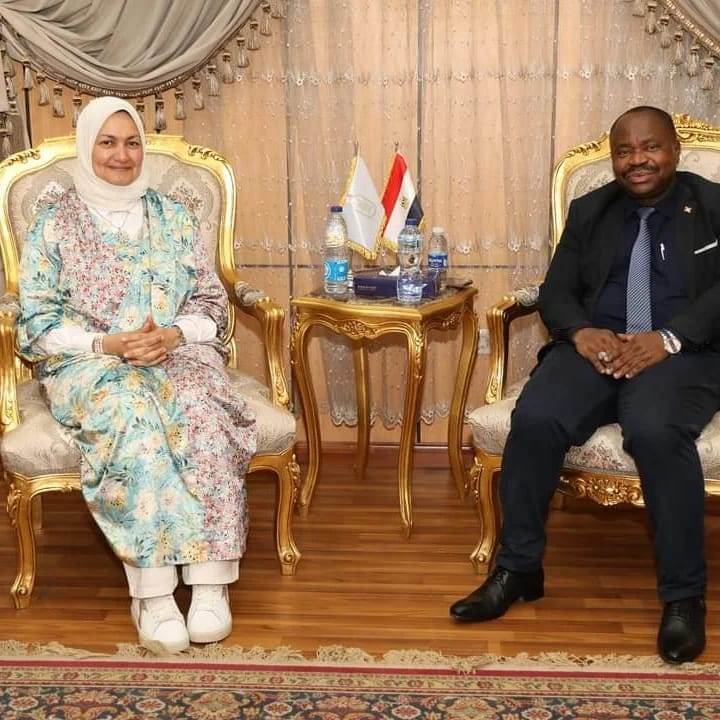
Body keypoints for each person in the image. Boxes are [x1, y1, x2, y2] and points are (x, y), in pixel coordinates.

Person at [450, 106, 720, 664]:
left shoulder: (714, 204)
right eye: (624, 151)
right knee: (536, 418)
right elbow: (556, 291)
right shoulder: (590, 209)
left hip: (682, 353)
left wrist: (669, 337)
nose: (637, 160)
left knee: (654, 430)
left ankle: (683, 597)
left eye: (650, 147)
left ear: (675, 150)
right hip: (598, 347)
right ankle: (518, 569)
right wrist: (579, 331)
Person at [18, 97, 257, 654]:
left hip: (177, 352)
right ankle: (152, 593)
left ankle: (210, 584)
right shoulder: (54, 223)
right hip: (90, 362)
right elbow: (36, 321)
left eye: (132, 143)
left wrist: (171, 335)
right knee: (135, 419)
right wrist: (108, 343)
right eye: (108, 142)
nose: (121, 155)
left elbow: (211, 304)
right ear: (87, 147)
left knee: (202, 410)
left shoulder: (175, 216)